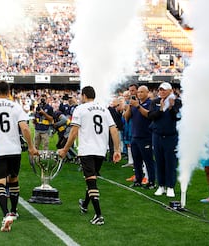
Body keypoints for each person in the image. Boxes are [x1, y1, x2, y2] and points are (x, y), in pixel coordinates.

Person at [0, 81, 38, 232]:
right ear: (9, 91)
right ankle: (14, 210)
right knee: (13, 179)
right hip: (14, 150)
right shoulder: (16, 106)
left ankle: (6, 215)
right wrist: (31, 147)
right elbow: (25, 127)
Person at [58, 86, 121, 226]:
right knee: (91, 178)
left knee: (91, 181)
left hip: (87, 149)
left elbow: (73, 132)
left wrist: (64, 149)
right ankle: (85, 204)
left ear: (85, 95)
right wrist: (116, 150)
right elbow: (114, 130)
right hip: (101, 150)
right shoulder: (104, 109)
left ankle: (99, 215)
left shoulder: (80, 109)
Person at [148, 82, 182, 197]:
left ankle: (170, 186)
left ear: (170, 91)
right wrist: (161, 110)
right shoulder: (155, 102)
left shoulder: (177, 102)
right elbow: (151, 116)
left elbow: (177, 117)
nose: (161, 92)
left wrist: (172, 108)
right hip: (157, 136)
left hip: (171, 137)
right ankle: (161, 185)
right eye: (160, 90)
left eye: (164, 90)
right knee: (159, 161)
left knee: (171, 162)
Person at [124, 85, 156, 189]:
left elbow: (148, 115)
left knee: (148, 161)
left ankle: (151, 181)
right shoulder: (134, 103)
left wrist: (138, 106)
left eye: (142, 92)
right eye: (139, 92)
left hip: (146, 136)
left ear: (147, 93)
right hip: (135, 136)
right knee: (136, 161)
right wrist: (130, 106)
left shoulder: (150, 103)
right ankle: (138, 179)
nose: (140, 94)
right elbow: (127, 117)